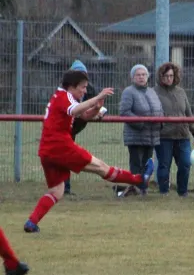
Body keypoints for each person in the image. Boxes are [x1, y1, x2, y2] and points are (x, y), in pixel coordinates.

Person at [23, 70, 154, 233]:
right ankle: (139, 180)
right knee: (101, 167)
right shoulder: (65, 97)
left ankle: (32, 222)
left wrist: (95, 109)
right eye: (83, 87)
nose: (85, 91)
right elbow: (75, 111)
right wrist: (98, 97)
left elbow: (83, 116)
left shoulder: (61, 96)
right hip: (60, 146)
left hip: (47, 150)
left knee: (57, 191)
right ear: (72, 86)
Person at [154, 62, 194, 196]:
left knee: (185, 164)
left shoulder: (181, 92)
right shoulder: (154, 92)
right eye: (166, 76)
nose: (169, 78)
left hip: (183, 135)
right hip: (164, 137)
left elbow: (188, 113)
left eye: (171, 76)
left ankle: (183, 192)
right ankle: (163, 192)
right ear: (161, 76)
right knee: (164, 166)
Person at [119, 64, 163, 196]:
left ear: (147, 77)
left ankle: (143, 188)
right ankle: (135, 188)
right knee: (136, 163)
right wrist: (142, 123)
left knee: (147, 164)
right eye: (138, 75)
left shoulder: (152, 91)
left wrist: (160, 123)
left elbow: (159, 110)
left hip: (151, 135)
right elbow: (125, 112)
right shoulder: (128, 92)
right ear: (133, 77)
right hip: (136, 135)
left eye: (143, 74)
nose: (141, 77)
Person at [64, 60, 105, 195]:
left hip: (75, 128)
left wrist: (98, 111)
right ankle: (63, 187)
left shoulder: (89, 89)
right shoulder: (65, 92)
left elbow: (96, 105)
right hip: (63, 129)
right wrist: (92, 113)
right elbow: (77, 112)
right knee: (62, 159)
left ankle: (64, 187)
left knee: (68, 158)